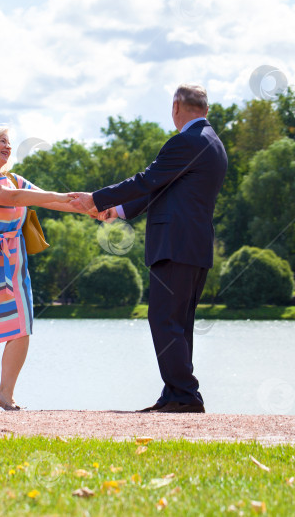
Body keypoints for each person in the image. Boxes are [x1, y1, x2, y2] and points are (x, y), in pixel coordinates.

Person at [73, 84, 227, 413]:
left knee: (164, 319)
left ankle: (185, 394)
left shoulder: (186, 141)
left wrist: (97, 199)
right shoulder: (212, 142)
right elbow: (161, 188)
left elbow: (146, 179)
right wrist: (118, 211)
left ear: (175, 108)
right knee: (179, 323)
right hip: (194, 247)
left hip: (175, 245)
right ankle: (176, 394)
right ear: (206, 108)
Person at [0, 126, 88, 411]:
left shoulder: (14, 179)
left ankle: (6, 393)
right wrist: (62, 196)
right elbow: (14, 199)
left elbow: (49, 200)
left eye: (9, 141)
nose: (7, 145)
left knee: (22, 325)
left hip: (12, 261)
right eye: (1, 141)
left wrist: (92, 208)